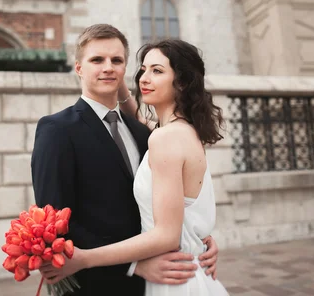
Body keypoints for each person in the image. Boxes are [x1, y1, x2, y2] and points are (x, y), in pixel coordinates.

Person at [31, 24, 219, 296]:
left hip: (158, 280)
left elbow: (171, 205)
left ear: (123, 70)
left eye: (117, 61)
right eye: (97, 60)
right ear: (79, 68)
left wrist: (197, 240)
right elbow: (56, 220)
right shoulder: (56, 130)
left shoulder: (145, 132)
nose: (108, 67)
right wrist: (133, 265)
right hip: (96, 286)